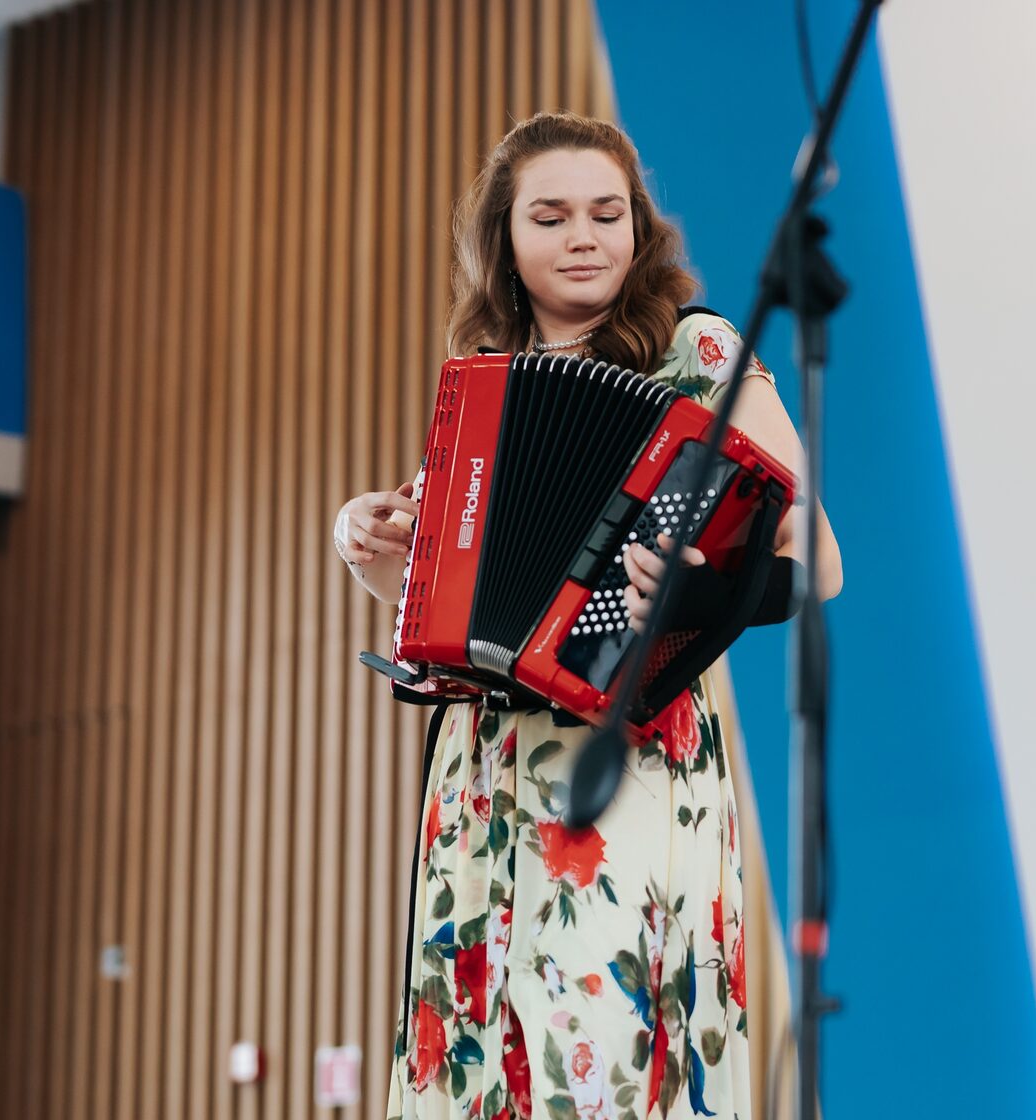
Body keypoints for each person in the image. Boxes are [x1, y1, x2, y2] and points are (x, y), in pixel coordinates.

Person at [337, 111, 842, 1120]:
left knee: (599, 1048)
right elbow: (451, 610)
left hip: (631, 752)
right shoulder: (485, 384)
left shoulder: (700, 350)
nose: (583, 237)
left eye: (608, 214)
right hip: (486, 768)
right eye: (552, 216)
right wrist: (370, 547)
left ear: (638, 229)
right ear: (503, 238)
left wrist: (696, 590)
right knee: (477, 1051)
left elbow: (816, 561)